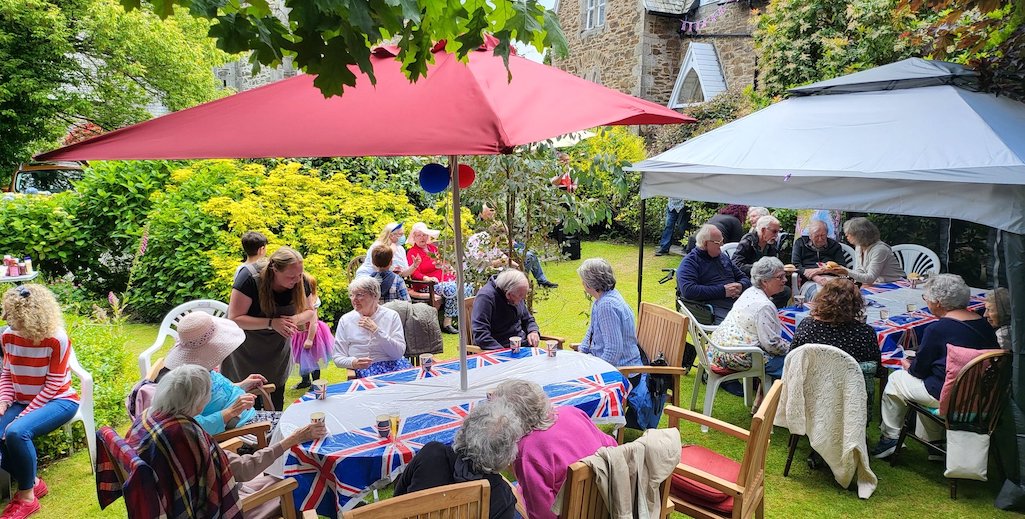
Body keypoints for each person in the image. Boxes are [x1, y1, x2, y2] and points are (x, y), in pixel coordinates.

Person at [126, 365, 328, 519]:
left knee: (279, 475)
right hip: (213, 507)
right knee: (297, 484)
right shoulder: (188, 435)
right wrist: (293, 439)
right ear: (197, 402)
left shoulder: (149, 418)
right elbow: (245, 469)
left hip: (171, 500)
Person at [871, 274, 1000, 458]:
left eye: (927, 299)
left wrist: (908, 365)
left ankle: (890, 438)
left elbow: (919, 370)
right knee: (929, 381)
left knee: (896, 379)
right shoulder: (983, 323)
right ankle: (934, 445)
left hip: (950, 396)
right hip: (982, 395)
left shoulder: (938, 329)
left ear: (938, 303)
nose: (927, 302)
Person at [0, 285, 79, 519]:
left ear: (32, 315)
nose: (8, 320)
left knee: (15, 432)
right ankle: (33, 482)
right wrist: (4, 401)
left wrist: (23, 416)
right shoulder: (7, 335)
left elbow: (55, 384)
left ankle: (27, 498)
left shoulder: (57, 339)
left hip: (59, 400)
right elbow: (6, 373)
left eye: (13, 316)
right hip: (22, 401)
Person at [489, 379, 617, 519]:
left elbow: (542, 514)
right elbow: (612, 446)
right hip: (605, 501)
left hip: (570, 510)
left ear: (509, 419)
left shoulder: (527, 452)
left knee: (502, 499)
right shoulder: (572, 411)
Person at [393, 399, 523, 519]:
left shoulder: (431, 454)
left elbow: (395, 502)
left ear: (464, 428)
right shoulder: (501, 497)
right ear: (506, 454)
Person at [158, 312, 275, 436]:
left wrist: (242, 385)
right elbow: (190, 426)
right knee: (292, 433)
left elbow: (216, 394)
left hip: (251, 418)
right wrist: (231, 411)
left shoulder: (203, 369)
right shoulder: (187, 383)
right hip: (244, 431)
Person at [226, 246, 315, 410]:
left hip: (276, 350)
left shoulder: (300, 281)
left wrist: (295, 319)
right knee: (248, 401)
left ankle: (275, 430)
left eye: (299, 275)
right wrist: (271, 323)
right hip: (244, 349)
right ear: (274, 269)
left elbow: (310, 311)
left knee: (275, 395)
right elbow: (235, 318)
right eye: (290, 276)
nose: (296, 280)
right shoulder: (249, 278)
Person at [710, 257, 791, 379]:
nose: (785, 280)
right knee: (796, 364)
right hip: (735, 356)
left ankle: (763, 394)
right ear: (764, 281)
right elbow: (771, 345)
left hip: (718, 348)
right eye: (780, 277)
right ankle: (774, 396)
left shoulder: (750, 291)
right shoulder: (764, 305)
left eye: (784, 276)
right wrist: (793, 347)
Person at [791, 278, 881, 366]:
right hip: (850, 379)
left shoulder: (807, 326)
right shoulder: (864, 332)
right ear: (855, 303)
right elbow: (875, 366)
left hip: (813, 378)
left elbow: (792, 357)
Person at [332, 276, 411, 377]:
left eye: (359, 295)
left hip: (395, 367)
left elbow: (398, 353)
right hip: (365, 371)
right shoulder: (346, 320)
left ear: (374, 295)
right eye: (352, 295)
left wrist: (376, 331)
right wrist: (353, 362)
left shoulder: (391, 316)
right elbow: (337, 357)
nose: (354, 299)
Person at [677, 224, 751, 325]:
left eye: (722, 241)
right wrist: (723, 291)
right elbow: (688, 290)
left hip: (736, 303)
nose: (722, 245)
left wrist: (741, 286)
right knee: (739, 328)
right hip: (711, 308)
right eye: (718, 242)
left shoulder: (722, 257)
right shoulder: (690, 262)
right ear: (705, 243)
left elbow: (743, 277)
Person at [407, 221, 473, 334]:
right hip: (427, 285)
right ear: (414, 237)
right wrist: (426, 278)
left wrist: (450, 268)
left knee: (467, 285)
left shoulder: (433, 249)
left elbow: (444, 263)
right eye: (419, 235)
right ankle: (447, 322)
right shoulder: (412, 252)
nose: (422, 237)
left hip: (445, 280)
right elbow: (414, 273)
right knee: (453, 288)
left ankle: (462, 318)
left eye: (424, 235)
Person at [576, 258, 642, 367]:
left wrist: (592, 370)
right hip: (604, 363)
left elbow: (613, 352)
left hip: (622, 372)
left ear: (589, 284)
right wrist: (582, 351)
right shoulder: (602, 299)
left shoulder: (607, 306)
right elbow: (591, 331)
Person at [479, 203, 557, 288]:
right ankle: (522, 280)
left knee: (531, 253)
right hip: (503, 251)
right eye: (490, 211)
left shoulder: (497, 222)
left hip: (511, 246)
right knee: (529, 256)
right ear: (482, 214)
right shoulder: (482, 228)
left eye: (493, 210)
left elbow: (506, 235)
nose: (492, 213)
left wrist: (511, 241)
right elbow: (493, 245)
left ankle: (541, 280)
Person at [471, 269, 541, 350]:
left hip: (522, 347)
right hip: (499, 351)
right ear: (508, 294)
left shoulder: (516, 292)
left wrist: (533, 331)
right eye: (521, 296)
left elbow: (528, 319)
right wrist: (503, 354)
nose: (523, 298)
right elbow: (481, 334)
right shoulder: (486, 298)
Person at [733, 215, 790, 308]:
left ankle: (773, 312)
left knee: (785, 291)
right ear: (763, 230)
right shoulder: (748, 241)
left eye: (778, 232)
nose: (776, 235)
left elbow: (773, 264)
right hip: (750, 280)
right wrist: (758, 268)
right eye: (774, 231)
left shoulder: (771, 244)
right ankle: (763, 310)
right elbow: (736, 264)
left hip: (767, 280)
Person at [828, 217, 904, 285]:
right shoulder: (859, 246)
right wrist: (842, 272)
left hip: (896, 284)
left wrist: (846, 271)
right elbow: (859, 271)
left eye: (849, 233)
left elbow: (870, 278)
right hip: (878, 283)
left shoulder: (880, 250)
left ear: (860, 235)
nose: (846, 235)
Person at [290, 273, 333, 389]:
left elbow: (313, 322)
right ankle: (305, 381)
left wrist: (310, 339)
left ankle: (316, 382)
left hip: (311, 334)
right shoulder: (298, 300)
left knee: (312, 359)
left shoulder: (312, 302)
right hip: (299, 334)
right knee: (301, 359)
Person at [355, 222, 420, 278]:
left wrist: (414, 266)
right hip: (369, 277)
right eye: (400, 234)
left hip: (389, 281)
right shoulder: (378, 246)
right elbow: (378, 268)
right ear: (391, 235)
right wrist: (391, 252)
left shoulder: (400, 249)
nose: (403, 237)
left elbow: (403, 273)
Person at [791, 219, 847, 284]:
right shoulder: (800, 243)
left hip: (832, 279)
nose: (820, 239)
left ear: (827, 234)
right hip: (808, 279)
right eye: (816, 236)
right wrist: (815, 277)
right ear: (810, 236)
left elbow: (842, 267)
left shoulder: (835, 246)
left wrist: (821, 270)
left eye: (823, 235)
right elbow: (796, 265)